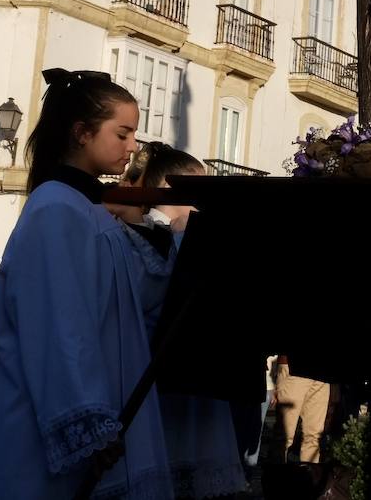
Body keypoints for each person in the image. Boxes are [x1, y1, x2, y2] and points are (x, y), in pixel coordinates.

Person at [0, 68, 172, 500]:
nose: (133, 147)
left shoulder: (85, 207)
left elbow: (126, 301)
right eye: (123, 133)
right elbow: (58, 328)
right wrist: (85, 426)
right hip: (35, 419)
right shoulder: (57, 209)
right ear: (82, 133)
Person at [116, 141, 246, 498]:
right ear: (170, 189)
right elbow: (149, 293)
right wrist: (185, 240)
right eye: (197, 188)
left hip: (199, 383)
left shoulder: (186, 233)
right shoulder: (140, 237)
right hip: (156, 380)